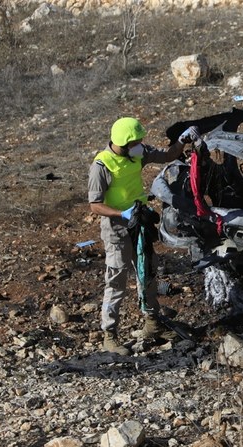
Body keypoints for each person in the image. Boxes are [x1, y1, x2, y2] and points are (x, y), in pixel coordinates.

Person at [88, 117, 200, 354]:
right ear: (125, 142)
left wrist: (181, 142)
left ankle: (152, 324)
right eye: (137, 141)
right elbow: (95, 205)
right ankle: (110, 335)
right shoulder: (102, 166)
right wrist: (122, 213)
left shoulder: (136, 154)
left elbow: (168, 156)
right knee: (116, 282)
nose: (142, 145)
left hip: (139, 223)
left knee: (147, 272)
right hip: (117, 229)